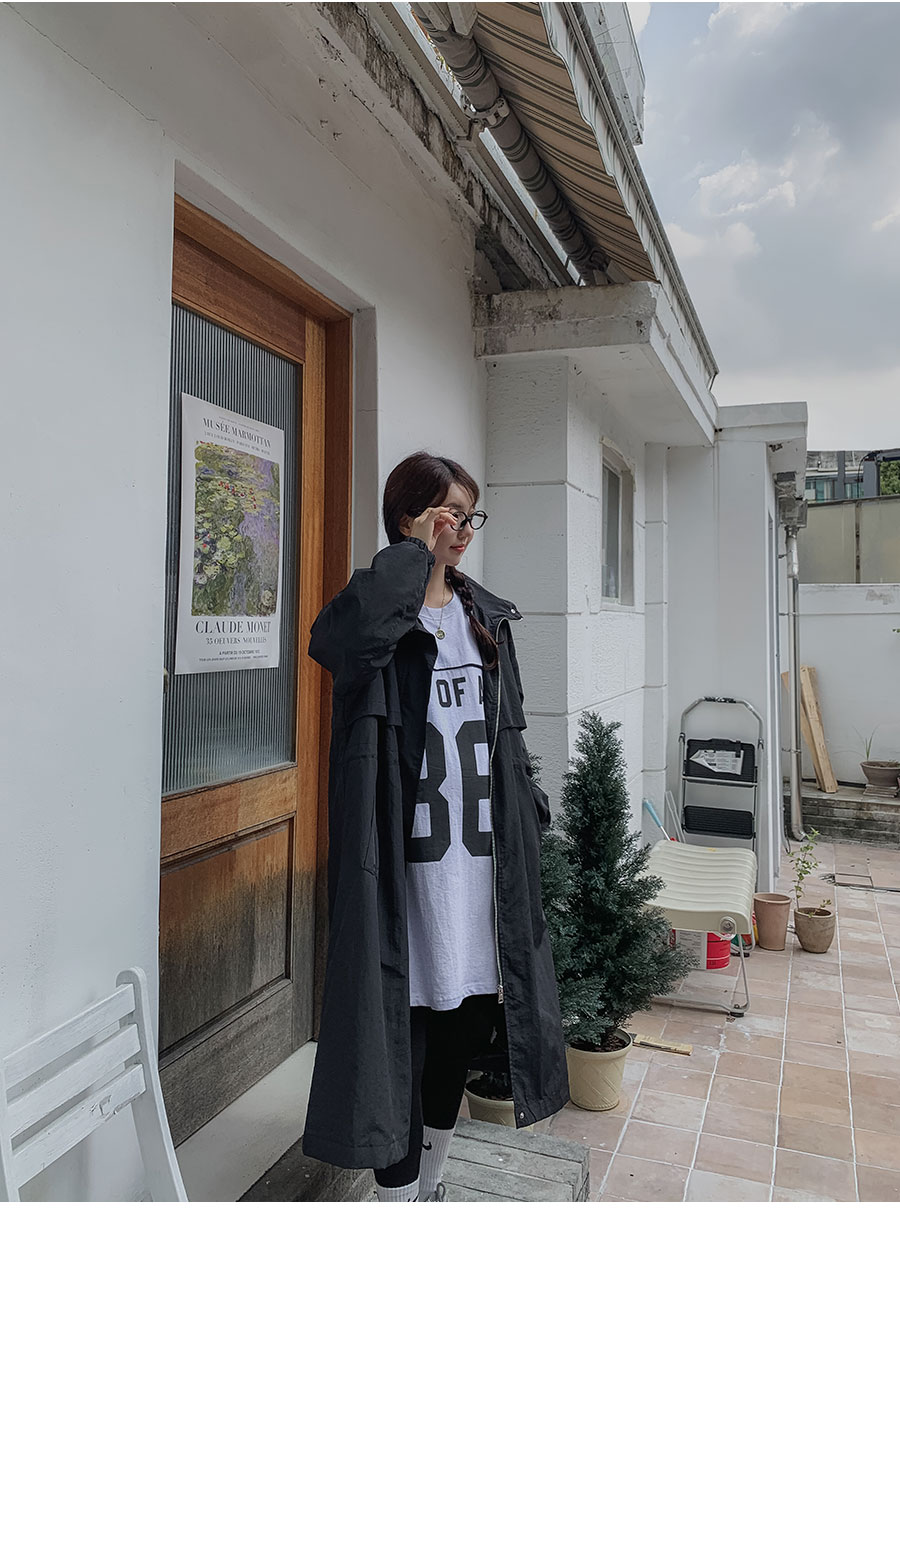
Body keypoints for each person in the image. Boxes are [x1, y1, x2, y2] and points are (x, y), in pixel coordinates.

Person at [302, 451, 569, 1200]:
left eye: (469, 514)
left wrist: (529, 808)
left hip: (480, 866)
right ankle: (396, 1200)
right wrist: (409, 557)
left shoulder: (486, 620)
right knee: (402, 1035)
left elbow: (508, 736)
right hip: (404, 868)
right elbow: (339, 645)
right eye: (448, 513)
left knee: (465, 1026)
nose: (464, 528)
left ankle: (433, 1183)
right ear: (409, 518)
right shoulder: (379, 618)